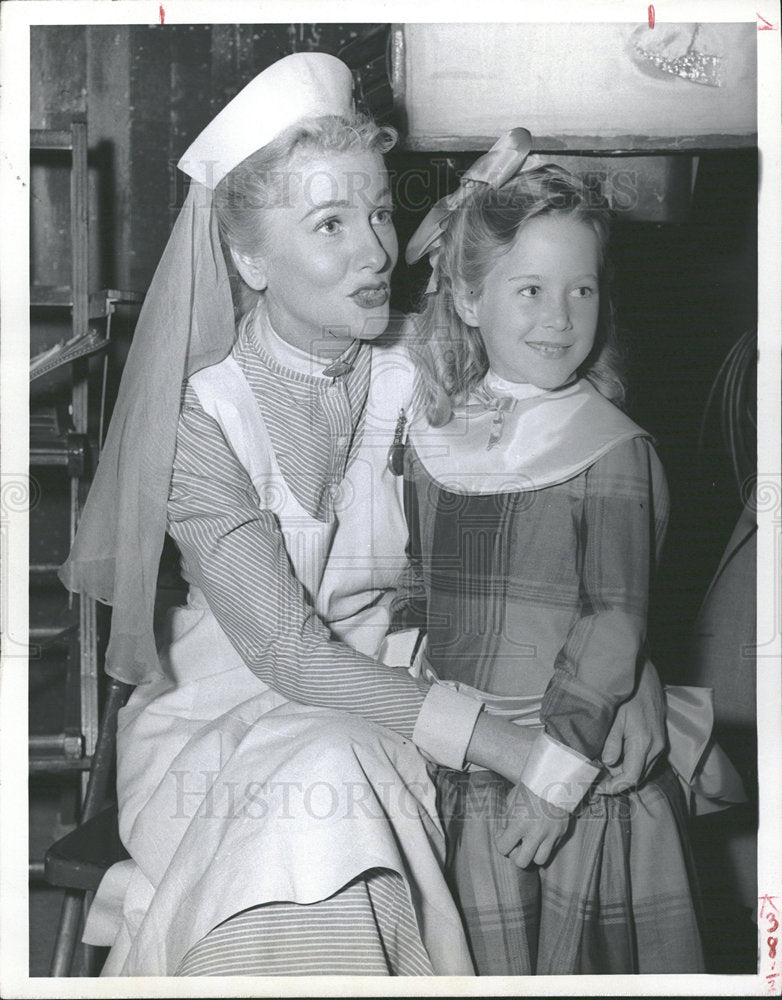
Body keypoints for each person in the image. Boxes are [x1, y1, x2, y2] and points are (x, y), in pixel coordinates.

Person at [59, 59, 666, 977]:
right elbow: (293, 658)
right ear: (247, 258)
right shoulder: (198, 425)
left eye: (380, 212)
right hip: (219, 729)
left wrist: (635, 669)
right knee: (330, 773)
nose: (378, 252)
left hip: (407, 698)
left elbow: (554, 506)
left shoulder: (418, 364)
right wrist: (522, 752)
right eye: (330, 225)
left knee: (354, 766)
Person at [394, 136, 711, 975]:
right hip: (466, 762)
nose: (561, 318)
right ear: (467, 299)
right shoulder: (430, 428)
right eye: (529, 290)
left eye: (583, 289)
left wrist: (557, 769)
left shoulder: (609, 448)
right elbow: (417, 583)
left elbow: (615, 619)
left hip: (572, 775)